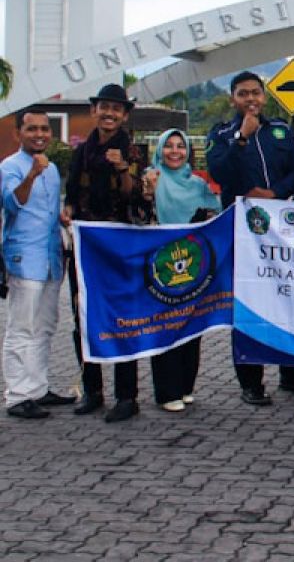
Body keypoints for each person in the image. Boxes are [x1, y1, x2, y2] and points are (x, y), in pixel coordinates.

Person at [206, 70, 294, 405]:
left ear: (264, 96)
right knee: (249, 306)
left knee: (288, 300)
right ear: (232, 98)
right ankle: (251, 382)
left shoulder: (280, 130)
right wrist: (241, 138)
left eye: (255, 93)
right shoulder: (222, 133)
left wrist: (275, 193)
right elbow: (219, 173)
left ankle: (291, 373)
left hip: (282, 233)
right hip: (243, 232)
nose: (250, 99)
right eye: (243, 94)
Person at [62, 84, 146, 423]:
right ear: (94, 111)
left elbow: (136, 195)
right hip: (84, 246)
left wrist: (122, 169)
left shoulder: (131, 149)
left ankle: (127, 396)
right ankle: (92, 390)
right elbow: (70, 192)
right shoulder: (81, 151)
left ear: (124, 115)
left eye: (116, 108)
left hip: (118, 246)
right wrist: (67, 210)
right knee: (82, 316)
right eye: (103, 107)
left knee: (122, 317)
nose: (109, 113)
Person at [141, 129, 221, 413]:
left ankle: (186, 386)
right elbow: (140, 214)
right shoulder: (152, 177)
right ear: (160, 150)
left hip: (193, 263)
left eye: (181, 146)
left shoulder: (198, 183)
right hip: (161, 265)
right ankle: (166, 391)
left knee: (191, 326)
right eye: (169, 146)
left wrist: (207, 215)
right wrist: (149, 191)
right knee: (165, 326)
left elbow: (215, 212)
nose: (175, 152)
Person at [2, 109, 75, 419]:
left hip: (50, 258)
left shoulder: (53, 169)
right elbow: (11, 203)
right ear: (20, 133)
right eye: (32, 129)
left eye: (44, 129)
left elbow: (47, 211)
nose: (39, 134)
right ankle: (18, 394)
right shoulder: (10, 167)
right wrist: (31, 174)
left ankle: (38, 387)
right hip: (24, 259)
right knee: (22, 328)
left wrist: (63, 216)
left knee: (45, 327)